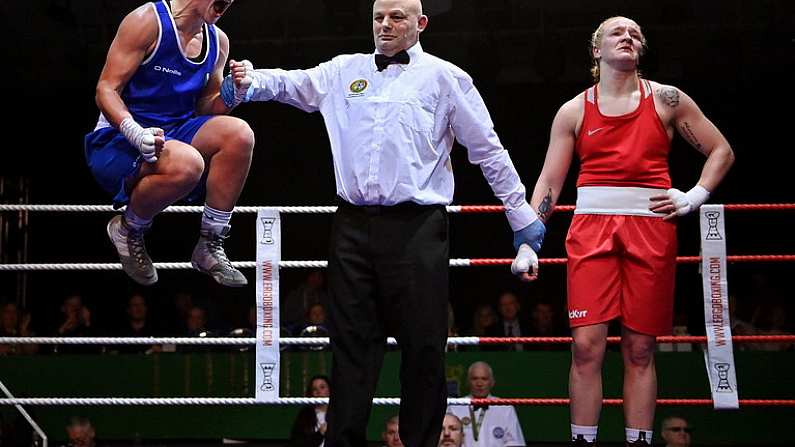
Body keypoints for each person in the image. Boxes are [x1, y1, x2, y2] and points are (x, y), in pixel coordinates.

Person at [232, 1, 544, 446]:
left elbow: (488, 151)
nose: (385, 25)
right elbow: (290, 84)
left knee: (423, 348)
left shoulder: (445, 77)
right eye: (379, 17)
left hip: (418, 228)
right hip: (352, 227)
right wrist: (249, 79)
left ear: (421, 24)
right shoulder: (344, 70)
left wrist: (520, 215)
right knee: (351, 348)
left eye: (397, 17)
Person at [525, 16, 734, 446]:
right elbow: (549, 182)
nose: (629, 37)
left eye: (636, 33)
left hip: (651, 229)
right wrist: (529, 238)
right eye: (618, 32)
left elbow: (721, 150)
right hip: (591, 230)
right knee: (586, 346)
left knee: (640, 349)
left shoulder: (668, 100)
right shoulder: (573, 110)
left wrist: (694, 196)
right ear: (596, 49)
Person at [84, 0, 255, 287]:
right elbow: (106, 89)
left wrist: (233, 94)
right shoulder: (146, 21)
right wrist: (135, 132)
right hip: (119, 140)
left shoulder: (217, 41)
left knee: (240, 135)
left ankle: (210, 242)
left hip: (176, 134)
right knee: (188, 163)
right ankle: (128, 230)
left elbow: (204, 110)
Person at [446, 361, 525, 447]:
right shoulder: (455, 407)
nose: (479, 384)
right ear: (467, 382)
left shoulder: (505, 407)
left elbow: (515, 443)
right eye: (475, 379)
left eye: (484, 379)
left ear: (492, 382)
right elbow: (447, 442)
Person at [289, 375, 331, 447]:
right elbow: (298, 443)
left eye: (322, 387)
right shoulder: (306, 415)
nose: (318, 392)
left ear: (330, 390)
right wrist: (320, 433)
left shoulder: (339, 413)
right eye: (314, 389)